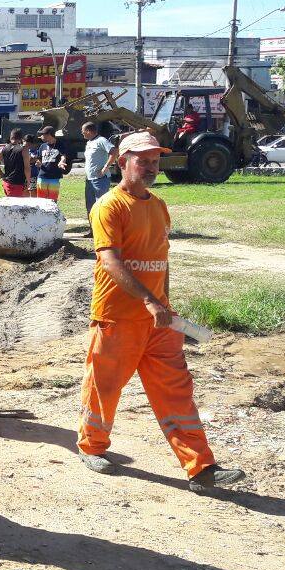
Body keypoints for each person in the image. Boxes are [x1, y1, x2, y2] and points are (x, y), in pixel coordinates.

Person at [78, 130, 246, 493]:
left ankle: (201, 468)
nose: (151, 167)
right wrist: (149, 300)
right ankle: (92, 447)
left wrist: (165, 305)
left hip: (158, 321)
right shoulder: (109, 205)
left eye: (155, 160)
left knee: (177, 392)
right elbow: (109, 260)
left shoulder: (157, 205)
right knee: (105, 386)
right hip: (117, 317)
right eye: (143, 160)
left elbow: (160, 261)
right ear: (122, 162)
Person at [81, 122, 115, 217]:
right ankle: (92, 230)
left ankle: (102, 230)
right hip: (89, 180)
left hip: (100, 180)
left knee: (101, 206)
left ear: (88, 131)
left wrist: (105, 167)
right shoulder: (89, 142)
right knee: (90, 206)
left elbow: (114, 151)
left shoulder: (101, 140)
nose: (82, 133)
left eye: (83, 131)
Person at [34, 126, 70, 202]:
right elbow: (39, 158)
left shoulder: (60, 144)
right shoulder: (42, 146)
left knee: (52, 201)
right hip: (42, 177)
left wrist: (62, 161)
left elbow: (63, 156)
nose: (41, 136)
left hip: (54, 177)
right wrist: (38, 163)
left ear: (49, 135)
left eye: (43, 134)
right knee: (41, 201)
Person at [0, 128, 29, 197]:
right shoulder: (24, 149)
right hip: (18, 183)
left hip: (6, 183)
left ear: (11, 137)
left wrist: (1, 174)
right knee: (18, 206)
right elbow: (27, 168)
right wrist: (28, 182)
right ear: (21, 138)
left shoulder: (5, 148)